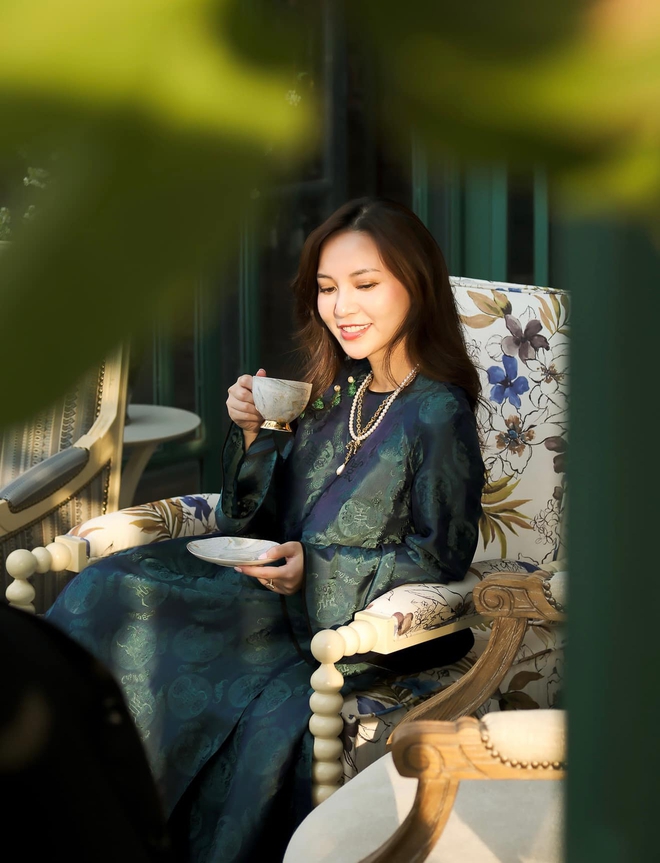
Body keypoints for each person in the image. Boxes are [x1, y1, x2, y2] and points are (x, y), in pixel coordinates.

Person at [45, 197, 485, 862]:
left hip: (351, 629)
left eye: (365, 284)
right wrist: (257, 434)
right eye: (327, 288)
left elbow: (441, 555)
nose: (342, 307)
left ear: (416, 287)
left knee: (175, 646)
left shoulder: (438, 410)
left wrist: (317, 567)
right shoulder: (337, 393)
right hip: (272, 602)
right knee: (115, 586)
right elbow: (255, 521)